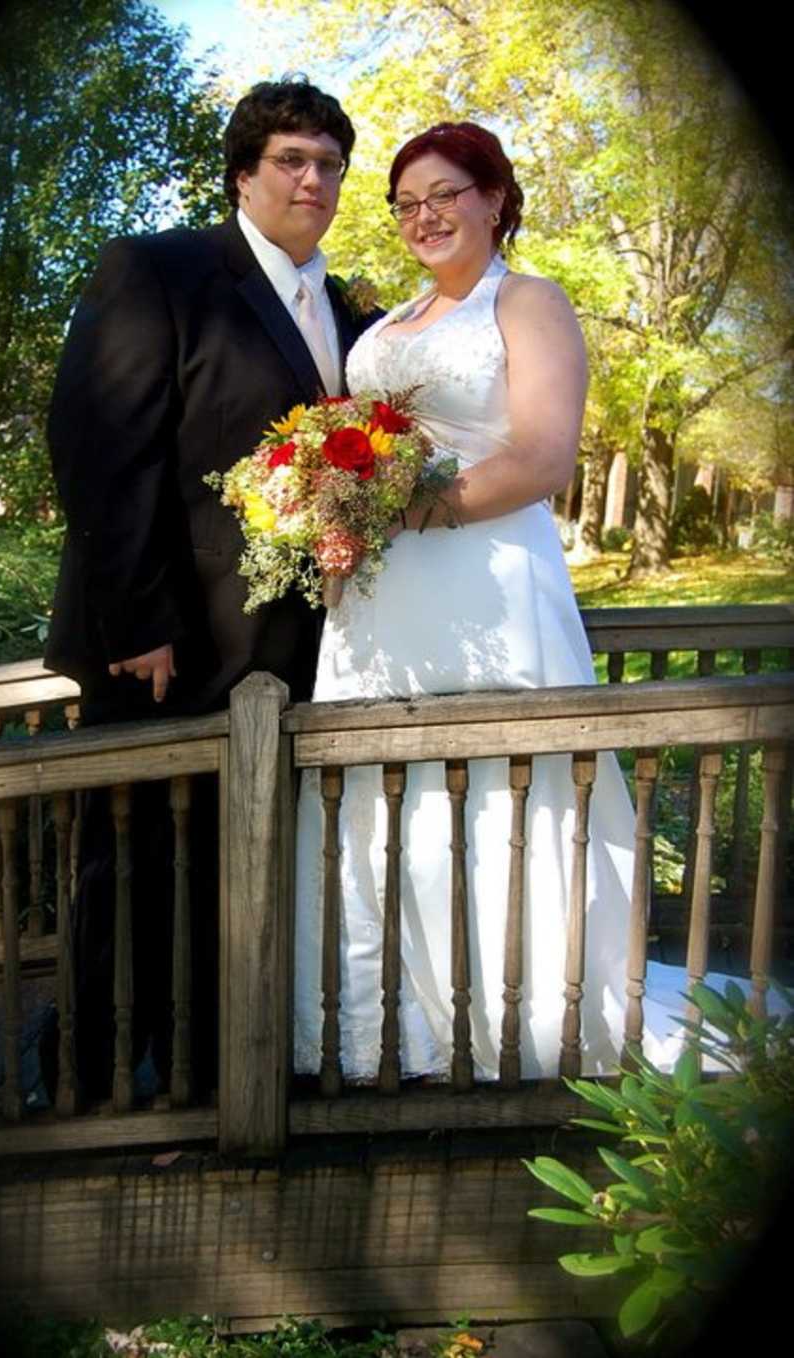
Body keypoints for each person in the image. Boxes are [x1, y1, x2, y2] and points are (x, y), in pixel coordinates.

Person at [294, 122, 679, 1081]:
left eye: (445, 194)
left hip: (490, 580)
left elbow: (543, 458)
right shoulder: (386, 324)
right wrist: (329, 508)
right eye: (406, 202)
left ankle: (519, 1032)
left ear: (495, 198)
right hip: (379, 601)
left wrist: (405, 511)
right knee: (383, 794)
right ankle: (393, 1032)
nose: (424, 216)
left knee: (498, 786)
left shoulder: (531, 302)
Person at [41, 77, 380, 1104]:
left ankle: (213, 1079)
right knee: (132, 867)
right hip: (165, 643)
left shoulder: (347, 311)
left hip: (289, 651)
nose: (313, 179)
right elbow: (102, 447)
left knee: (242, 878)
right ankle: (88, 1086)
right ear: (244, 173)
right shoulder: (161, 269)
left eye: (328, 162)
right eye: (292, 160)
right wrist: (139, 621)